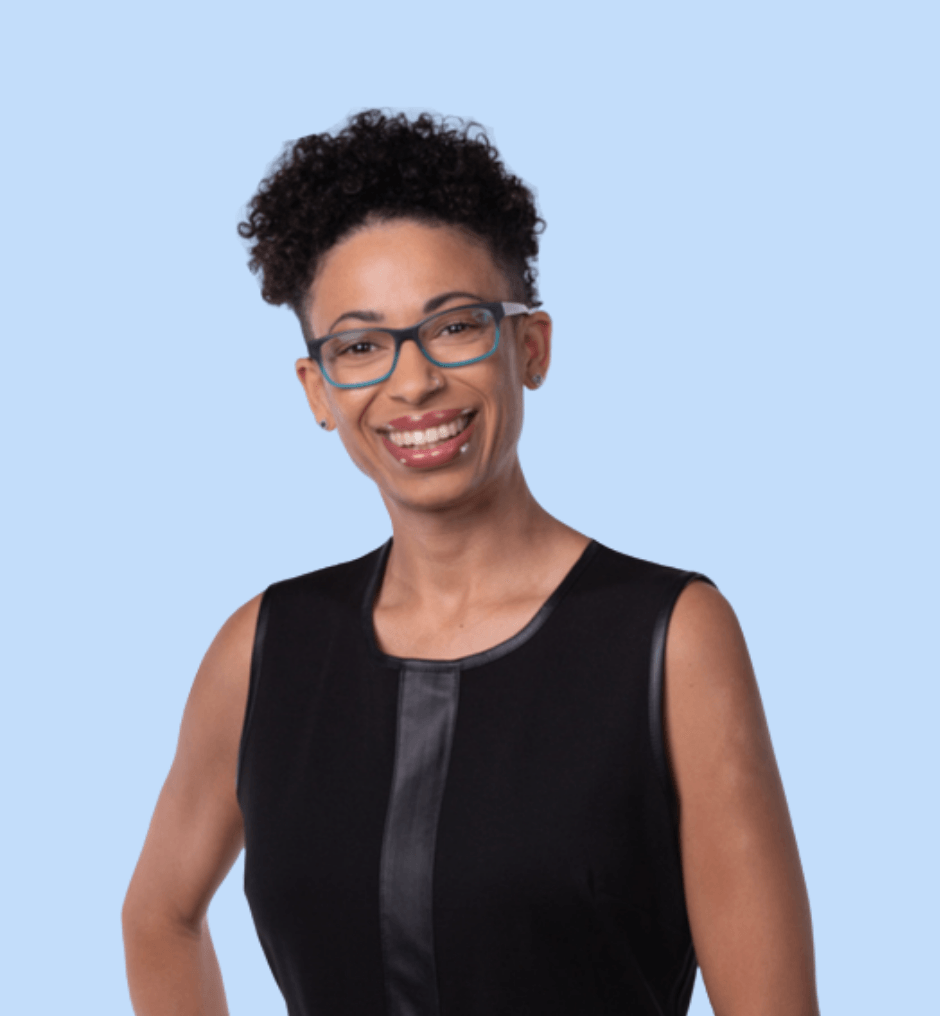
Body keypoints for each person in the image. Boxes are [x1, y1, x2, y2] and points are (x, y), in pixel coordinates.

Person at [121, 110, 820, 1016]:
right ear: (318, 391)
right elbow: (159, 918)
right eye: (360, 346)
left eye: (454, 327)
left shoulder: (671, 637)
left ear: (530, 347)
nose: (412, 382)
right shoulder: (263, 648)